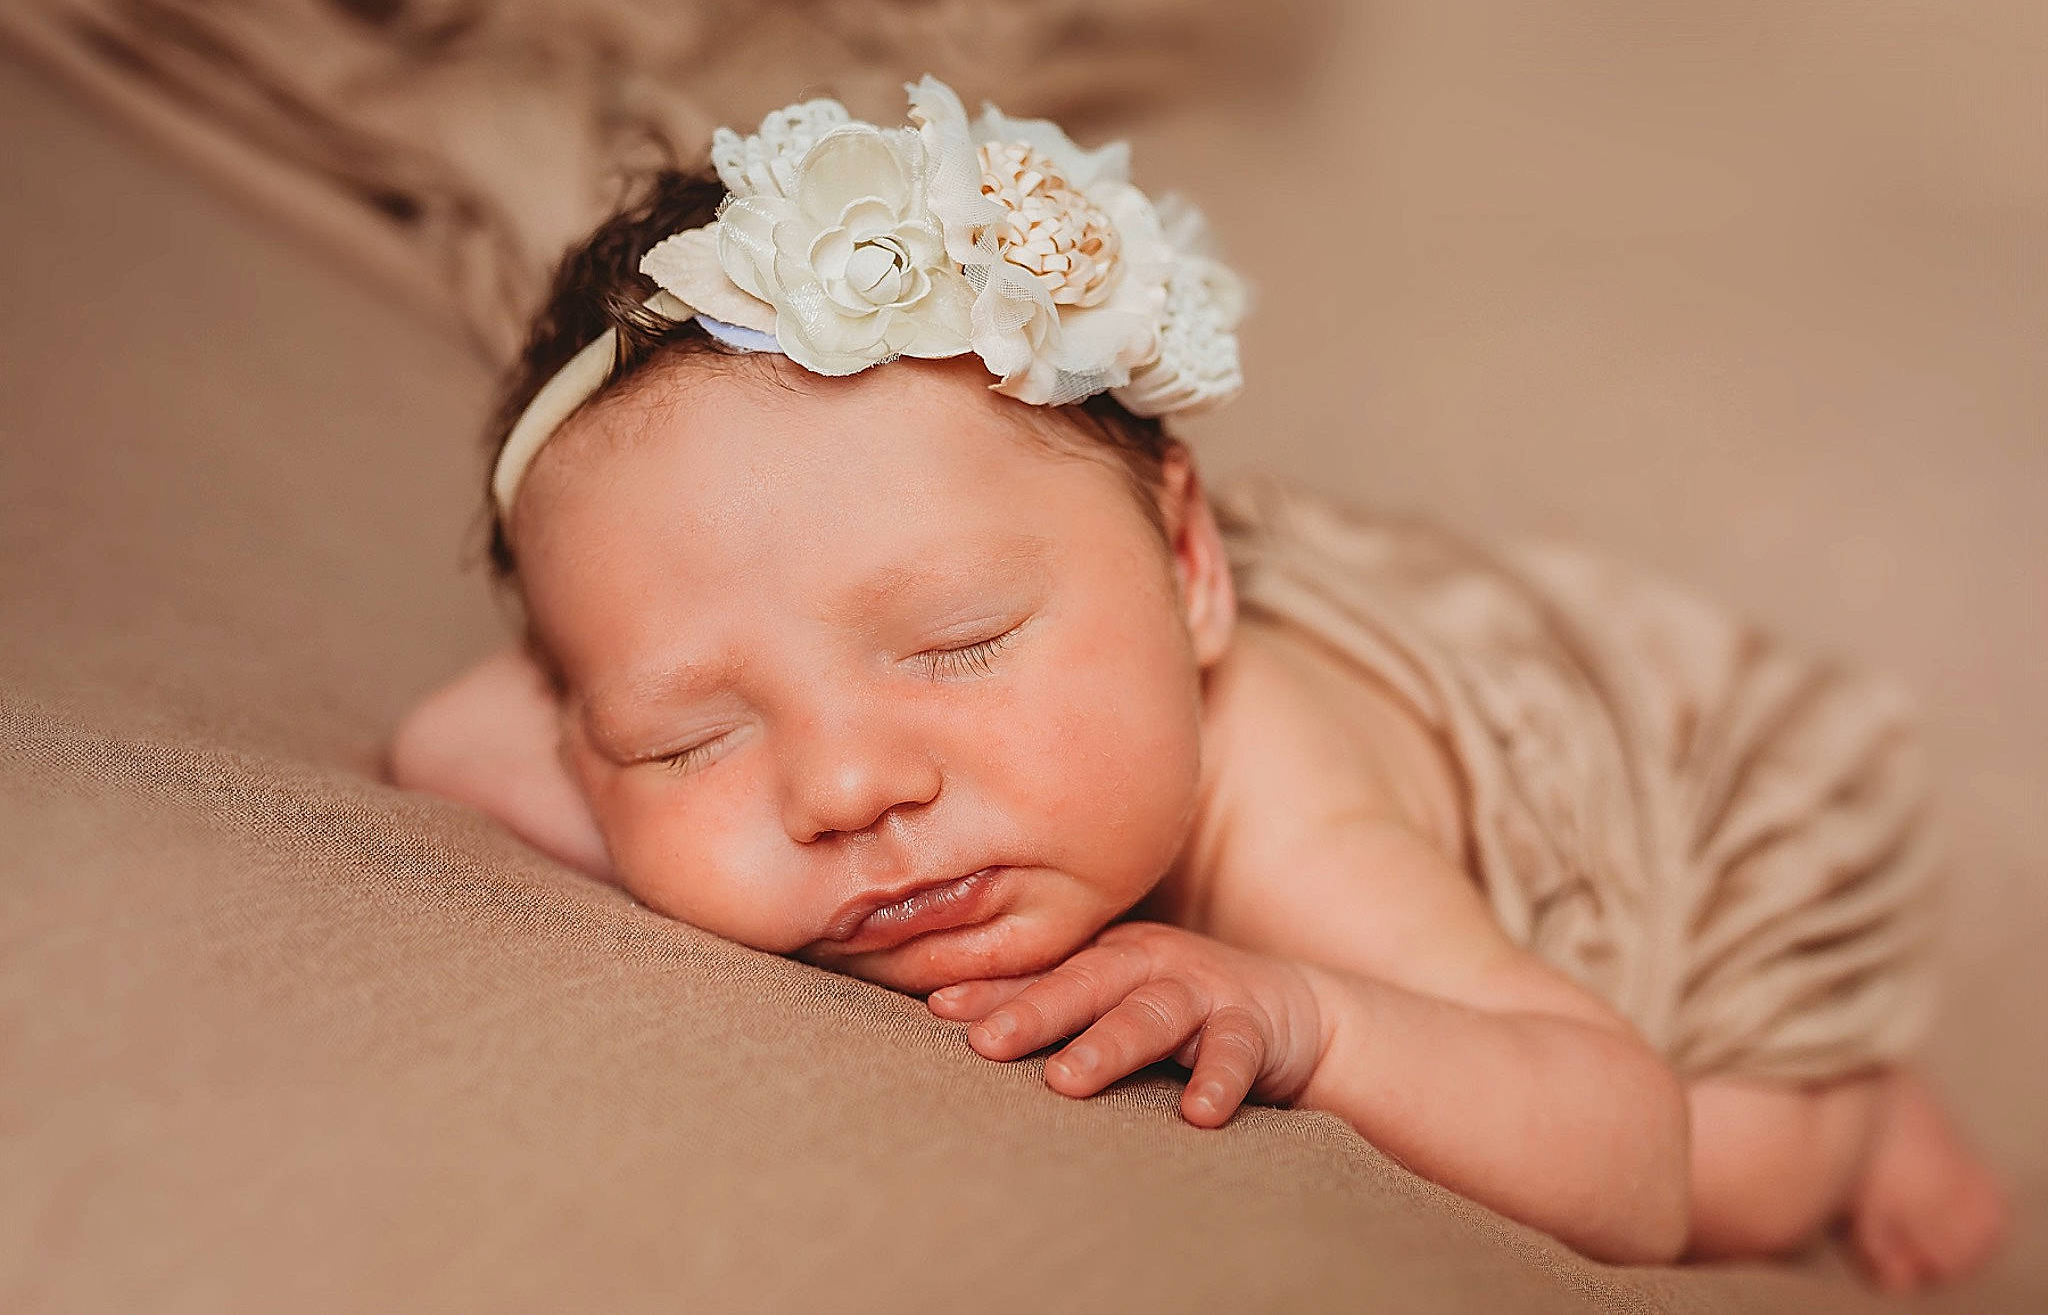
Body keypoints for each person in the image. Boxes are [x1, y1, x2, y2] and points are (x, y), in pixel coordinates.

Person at [385, 76, 2006, 1287]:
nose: (843, 787)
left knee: (1733, 1170)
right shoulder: (846, 697)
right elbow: (451, 735)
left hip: (1656, 797)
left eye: (956, 644)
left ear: (1189, 571)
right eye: (691, 735)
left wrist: (1307, 1020)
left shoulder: (1282, 802)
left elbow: (1630, 1157)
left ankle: (1858, 1102)